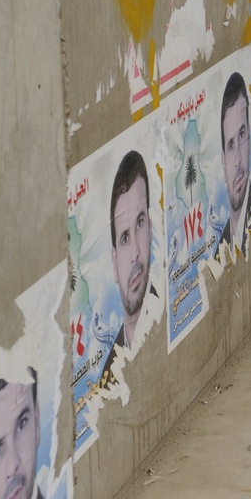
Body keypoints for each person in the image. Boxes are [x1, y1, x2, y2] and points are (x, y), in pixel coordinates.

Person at [99, 150, 156, 390]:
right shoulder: (108, 381)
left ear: (150, 230)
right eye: (124, 238)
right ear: (114, 262)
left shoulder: (168, 310)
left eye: (140, 223)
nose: (134, 254)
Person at [218, 71, 251, 254]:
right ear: (223, 161)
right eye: (231, 145)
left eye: (242, 134)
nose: (238, 160)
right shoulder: (218, 256)